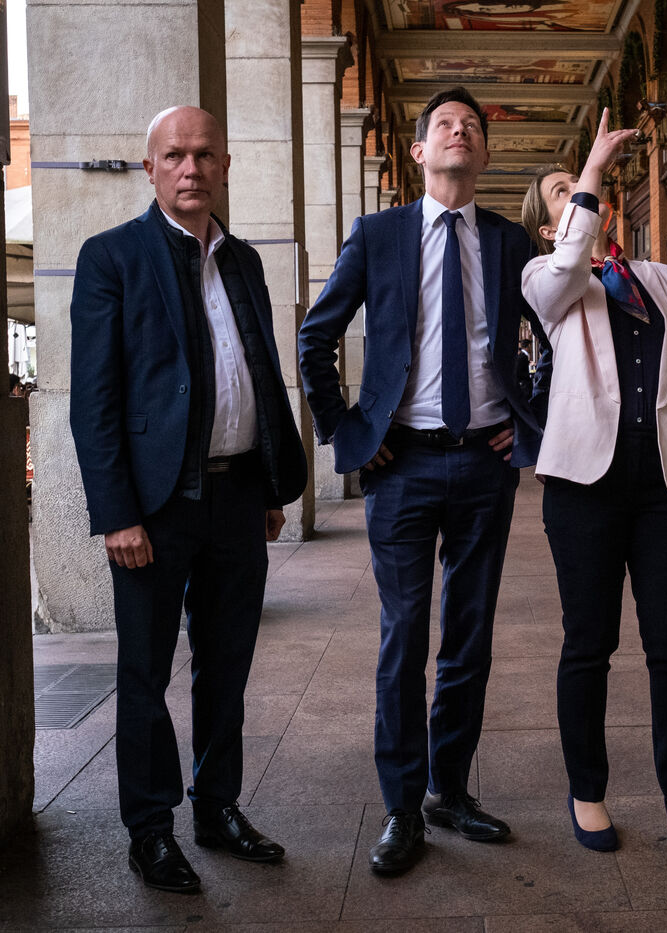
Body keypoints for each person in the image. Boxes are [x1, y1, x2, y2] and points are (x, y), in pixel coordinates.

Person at [297, 87, 544, 875]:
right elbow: (316, 336)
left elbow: (555, 335)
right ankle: (402, 806)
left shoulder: (509, 241)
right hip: (400, 462)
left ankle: (451, 790)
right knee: (404, 636)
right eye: (445, 124)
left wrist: (526, 419)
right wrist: (347, 428)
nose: (459, 132)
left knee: (469, 635)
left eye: (472, 126)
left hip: (484, 463)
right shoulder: (379, 234)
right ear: (418, 151)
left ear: (485, 153)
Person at [70, 106, 308, 893]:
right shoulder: (112, 257)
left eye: (205, 154)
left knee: (226, 664)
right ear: (150, 169)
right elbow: (94, 400)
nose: (190, 167)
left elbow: (260, 373)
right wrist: (116, 513)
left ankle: (217, 805)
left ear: (226, 166)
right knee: (145, 670)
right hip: (155, 504)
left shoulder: (243, 260)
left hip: (238, 495)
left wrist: (269, 485)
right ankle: (150, 829)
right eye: (174, 155)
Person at [519, 109, 667, 854]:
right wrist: (590, 168)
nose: (579, 194)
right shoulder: (547, 280)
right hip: (584, 485)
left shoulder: (660, 278)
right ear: (549, 227)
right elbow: (566, 267)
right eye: (561, 192)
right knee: (589, 642)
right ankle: (587, 790)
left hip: (663, 482)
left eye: (579, 187)